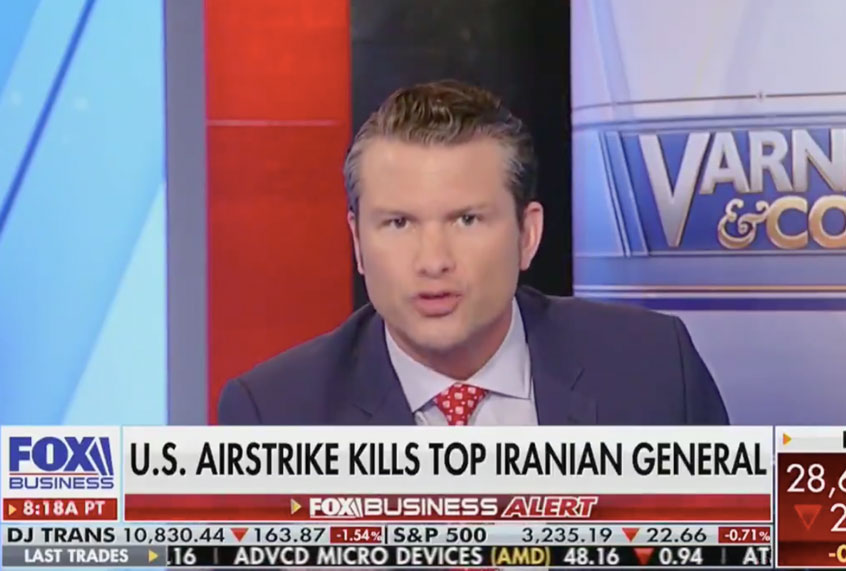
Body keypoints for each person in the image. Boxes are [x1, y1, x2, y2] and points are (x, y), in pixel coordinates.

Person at [218, 80, 728, 426]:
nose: (433, 261)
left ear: (527, 234)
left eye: (466, 220)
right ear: (358, 243)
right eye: (399, 223)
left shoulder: (655, 369)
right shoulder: (276, 416)